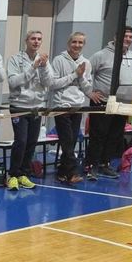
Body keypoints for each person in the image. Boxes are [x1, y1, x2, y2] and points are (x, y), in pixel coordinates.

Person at [87, 26, 132, 180]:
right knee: (98, 135)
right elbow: (84, 74)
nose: (127, 39)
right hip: (103, 102)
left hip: (123, 104)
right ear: (116, 37)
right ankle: (91, 166)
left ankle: (105, 164)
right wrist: (89, 92)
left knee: (114, 136)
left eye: (130, 37)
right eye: (125, 36)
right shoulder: (100, 55)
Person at [5, 30, 50, 191]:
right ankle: (13, 175)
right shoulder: (15, 60)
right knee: (21, 140)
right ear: (26, 40)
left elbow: (48, 82)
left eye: (39, 39)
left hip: (36, 107)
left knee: (32, 141)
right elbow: (14, 82)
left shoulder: (43, 60)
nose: (36, 41)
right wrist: (33, 67)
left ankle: (24, 174)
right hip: (19, 106)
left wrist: (44, 68)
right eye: (33, 38)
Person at [47, 32, 93, 185]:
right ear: (69, 43)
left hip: (77, 107)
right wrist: (74, 75)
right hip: (61, 106)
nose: (77, 45)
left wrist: (81, 76)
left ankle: (62, 171)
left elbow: (87, 88)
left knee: (71, 142)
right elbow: (53, 84)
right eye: (74, 42)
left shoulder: (86, 62)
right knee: (67, 141)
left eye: (80, 42)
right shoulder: (59, 60)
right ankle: (72, 173)